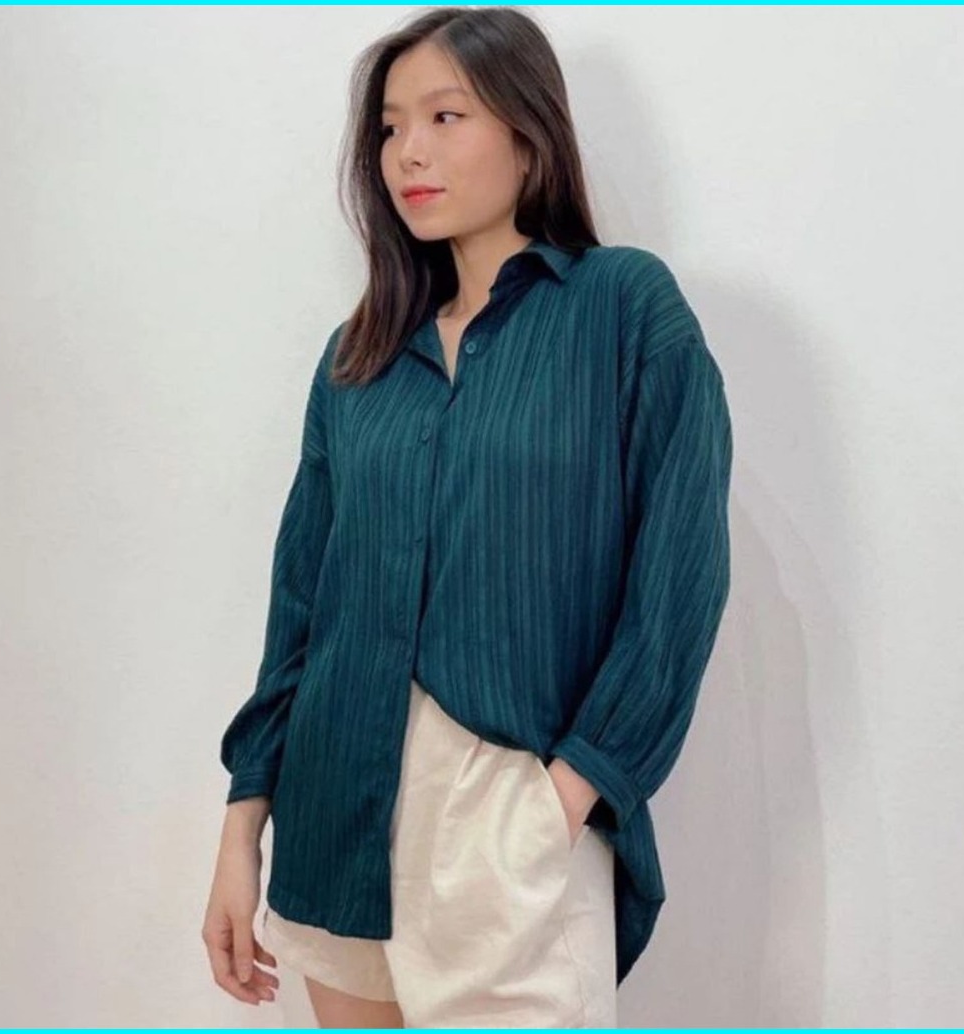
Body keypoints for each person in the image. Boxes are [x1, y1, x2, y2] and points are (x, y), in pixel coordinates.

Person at [202, 6, 733, 1028]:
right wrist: (241, 827)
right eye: (390, 127)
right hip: (332, 813)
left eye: (445, 116)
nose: (409, 151)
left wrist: (565, 795)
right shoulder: (357, 356)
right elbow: (300, 603)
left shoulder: (622, 309)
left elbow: (679, 577)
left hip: (505, 809)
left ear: (528, 133)